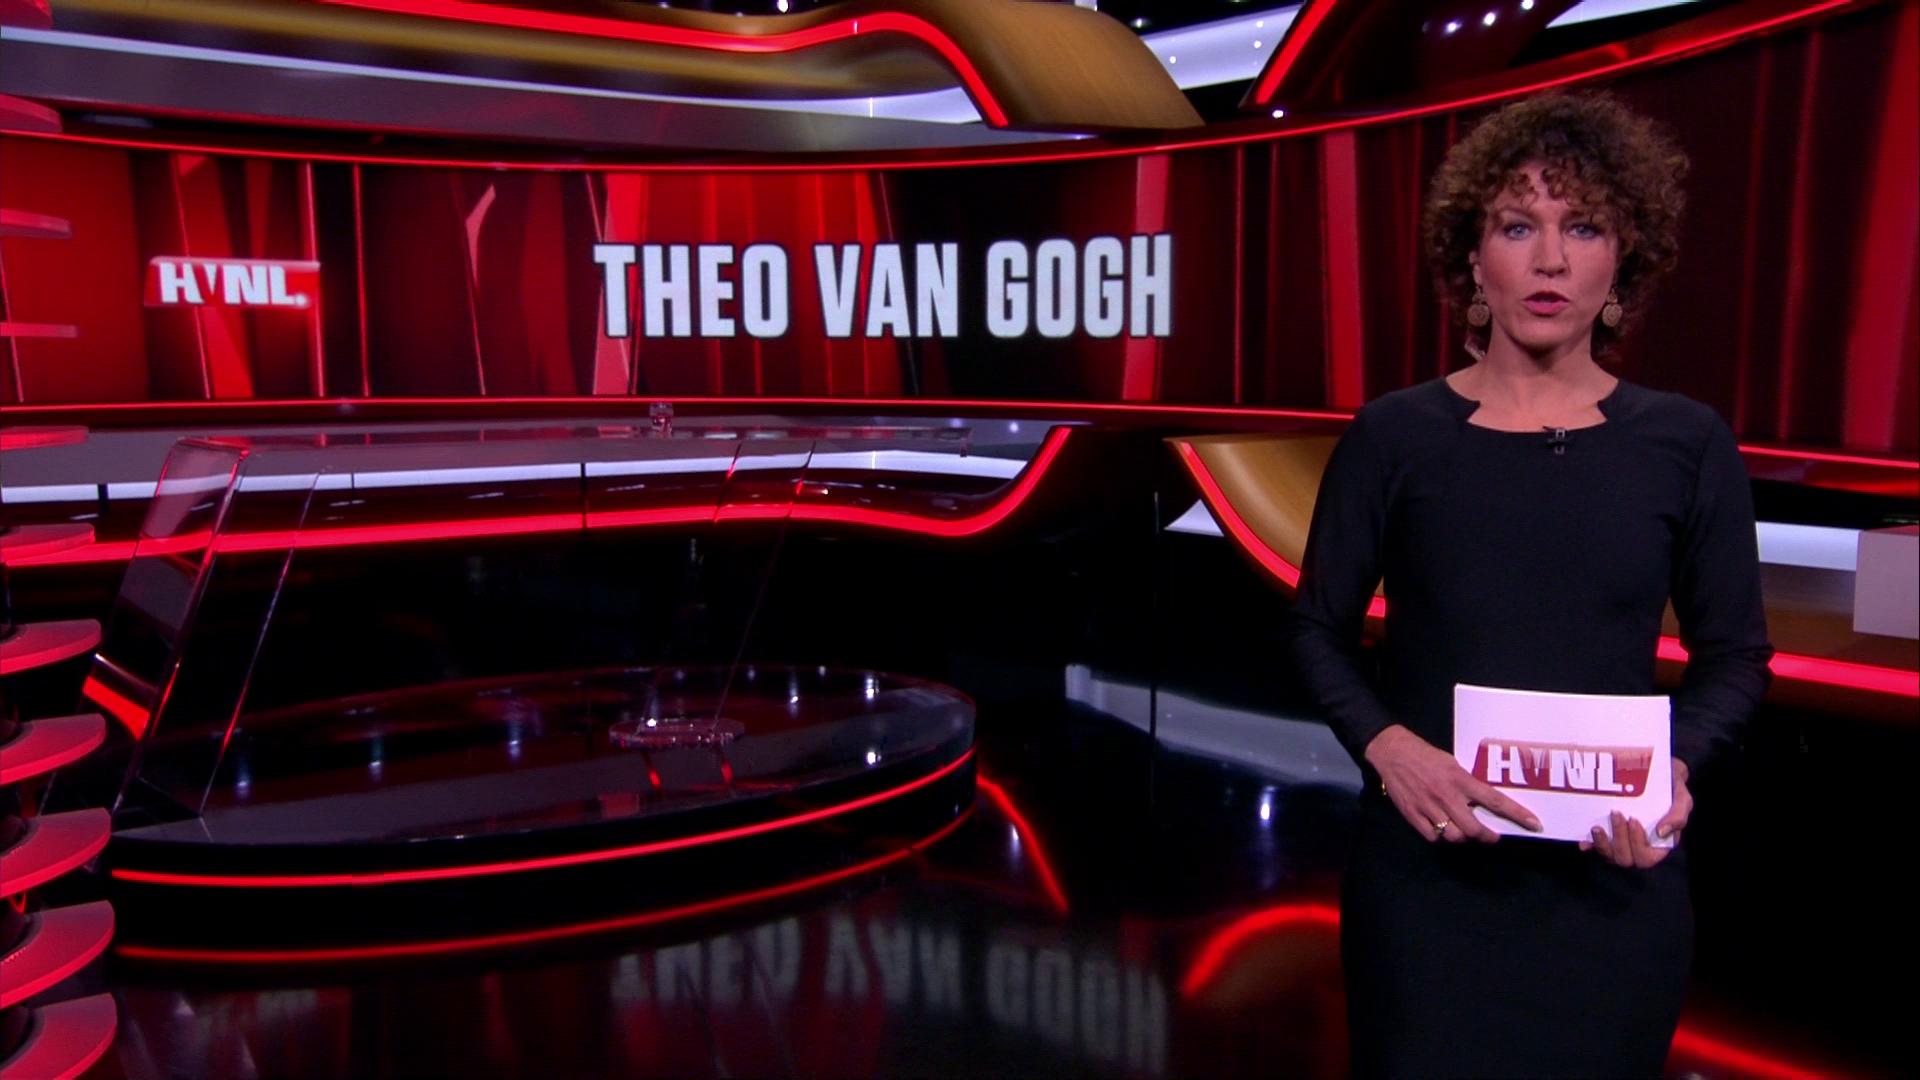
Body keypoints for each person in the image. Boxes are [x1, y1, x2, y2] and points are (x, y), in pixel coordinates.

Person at [1289, 92, 1773, 1078]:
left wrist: (1671, 769)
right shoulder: (1394, 436)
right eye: (1519, 227)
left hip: (1613, 891)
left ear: (1622, 258)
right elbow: (1315, 630)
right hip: (1427, 892)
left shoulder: (1686, 444)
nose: (1550, 260)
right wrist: (1389, 748)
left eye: (1582, 227)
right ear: (1474, 259)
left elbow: (1736, 656)